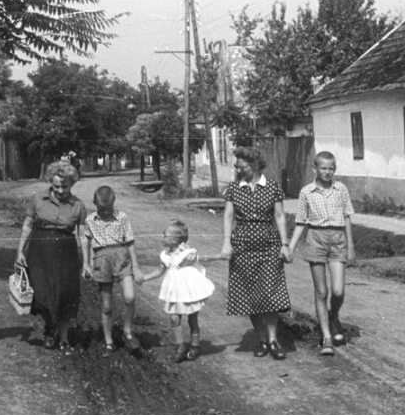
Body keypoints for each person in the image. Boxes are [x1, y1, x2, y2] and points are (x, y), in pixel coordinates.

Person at [220, 147, 292, 360]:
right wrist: (226, 243)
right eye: (237, 166)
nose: (238, 170)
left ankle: (273, 340)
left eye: (242, 166)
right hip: (242, 247)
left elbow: (279, 216)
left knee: (270, 293)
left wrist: (285, 243)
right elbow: (228, 216)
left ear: (255, 165)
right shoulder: (234, 188)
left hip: (269, 245)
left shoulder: (272, 187)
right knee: (249, 295)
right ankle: (261, 338)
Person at [15, 161, 87, 355]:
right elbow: (28, 225)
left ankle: (63, 337)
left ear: (72, 184)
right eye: (56, 186)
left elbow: (82, 236)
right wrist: (20, 251)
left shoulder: (78, 205)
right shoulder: (38, 199)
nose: (60, 190)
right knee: (42, 292)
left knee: (65, 293)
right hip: (40, 251)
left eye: (65, 186)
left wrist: (86, 262)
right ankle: (49, 327)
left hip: (66, 252)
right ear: (50, 182)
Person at [288, 151, 355, 356]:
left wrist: (351, 246)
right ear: (315, 169)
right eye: (323, 168)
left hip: (338, 240)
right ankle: (326, 336)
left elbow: (347, 218)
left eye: (331, 168)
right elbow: (301, 221)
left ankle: (333, 316)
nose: (328, 172)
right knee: (321, 291)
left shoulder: (340, 189)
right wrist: (290, 246)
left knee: (338, 291)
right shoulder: (306, 192)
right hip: (316, 239)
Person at [137, 220, 217, 363]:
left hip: (188, 289)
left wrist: (220, 256)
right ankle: (180, 346)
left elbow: (202, 258)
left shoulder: (187, 252)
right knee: (174, 317)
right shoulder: (164, 255)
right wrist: (144, 278)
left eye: (165, 235)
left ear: (175, 239)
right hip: (174, 290)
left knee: (193, 318)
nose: (162, 238)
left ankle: (195, 345)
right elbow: (159, 271)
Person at [82, 186, 143, 358]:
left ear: (114, 203)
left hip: (121, 257)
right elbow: (86, 241)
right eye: (102, 209)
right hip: (102, 260)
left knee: (130, 297)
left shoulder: (122, 217)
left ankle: (128, 331)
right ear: (95, 204)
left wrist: (136, 267)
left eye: (109, 209)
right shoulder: (90, 220)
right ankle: (109, 341)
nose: (106, 212)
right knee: (107, 306)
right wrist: (86, 263)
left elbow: (130, 242)